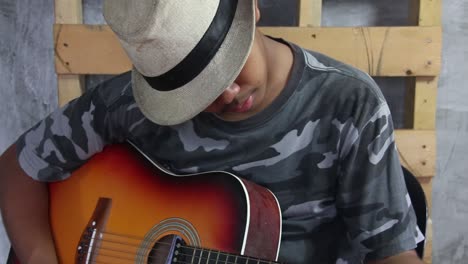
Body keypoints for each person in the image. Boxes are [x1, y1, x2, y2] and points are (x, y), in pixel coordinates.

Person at [0, 0, 425, 263]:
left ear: (252, 7)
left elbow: (391, 252)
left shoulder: (349, 103)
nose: (227, 92)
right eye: (195, 87)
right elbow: (17, 168)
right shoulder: (129, 107)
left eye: (230, 63)